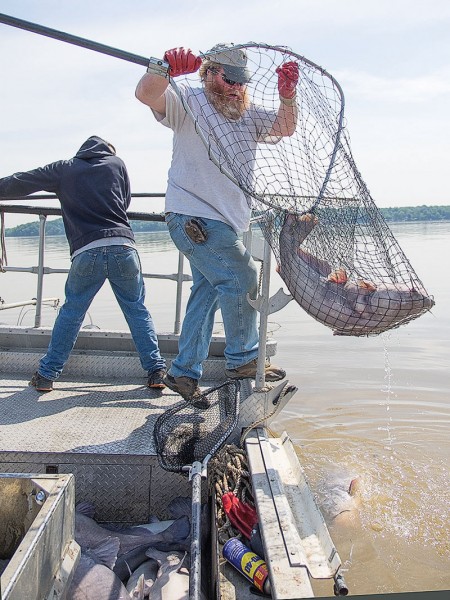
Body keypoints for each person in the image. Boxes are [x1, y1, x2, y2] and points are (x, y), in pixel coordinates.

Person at [135, 43, 299, 402]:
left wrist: (288, 96)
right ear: (208, 74)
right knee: (242, 277)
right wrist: (164, 69)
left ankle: (183, 372)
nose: (236, 87)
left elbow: (285, 128)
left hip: (230, 223)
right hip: (194, 216)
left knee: (207, 292)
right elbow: (146, 94)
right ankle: (242, 358)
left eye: (242, 81)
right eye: (229, 78)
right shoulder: (187, 100)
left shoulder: (248, 114)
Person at [0, 135, 166, 391]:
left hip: (87, 250)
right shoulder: (117, 163)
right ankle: (156, 371)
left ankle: (47, 375)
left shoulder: (64, 169)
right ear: (108, 151)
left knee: (72, 312)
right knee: (136, 309)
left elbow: (21, 181)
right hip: (123, 245)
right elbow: (124, 200)